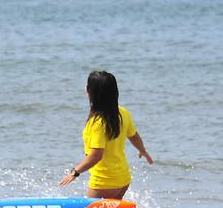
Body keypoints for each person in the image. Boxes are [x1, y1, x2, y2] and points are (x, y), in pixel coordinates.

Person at [58, 70, 153, 200]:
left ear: (90, 92)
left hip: (104, 183)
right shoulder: (122, 113)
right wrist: (143, 150)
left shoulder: (97, 122)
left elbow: (96, 155)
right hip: (123, 179)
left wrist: (75, 172)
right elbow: (134, 136)